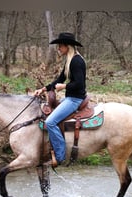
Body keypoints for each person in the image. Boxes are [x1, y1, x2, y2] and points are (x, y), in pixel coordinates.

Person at [34, 32, 87, 167]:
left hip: (75, 99)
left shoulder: (76, 61)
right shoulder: (70, 60)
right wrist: (44, 89)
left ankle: (60, 155)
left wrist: (64, 86)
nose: (58, 49)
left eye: (60, 46)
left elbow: (79, 84)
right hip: (70, 97)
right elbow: (60, 79)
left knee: (51, 121)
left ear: (67, 46)